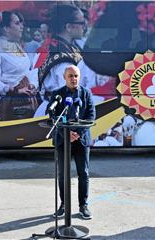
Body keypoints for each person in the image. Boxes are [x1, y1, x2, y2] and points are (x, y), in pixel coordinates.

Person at [47, 65, 95, 219]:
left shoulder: (86, 94)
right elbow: (52, 117)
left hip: (81, 141)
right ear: (64, 77)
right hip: (63, 141)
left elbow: (91, 116)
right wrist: (66, 133)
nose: (73, 79)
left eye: (76, 76)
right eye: (70, 76)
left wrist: (76, 134)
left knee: (84, 173)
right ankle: (63, 205)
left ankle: (83, 206)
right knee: (62, 174)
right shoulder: (57, 95)